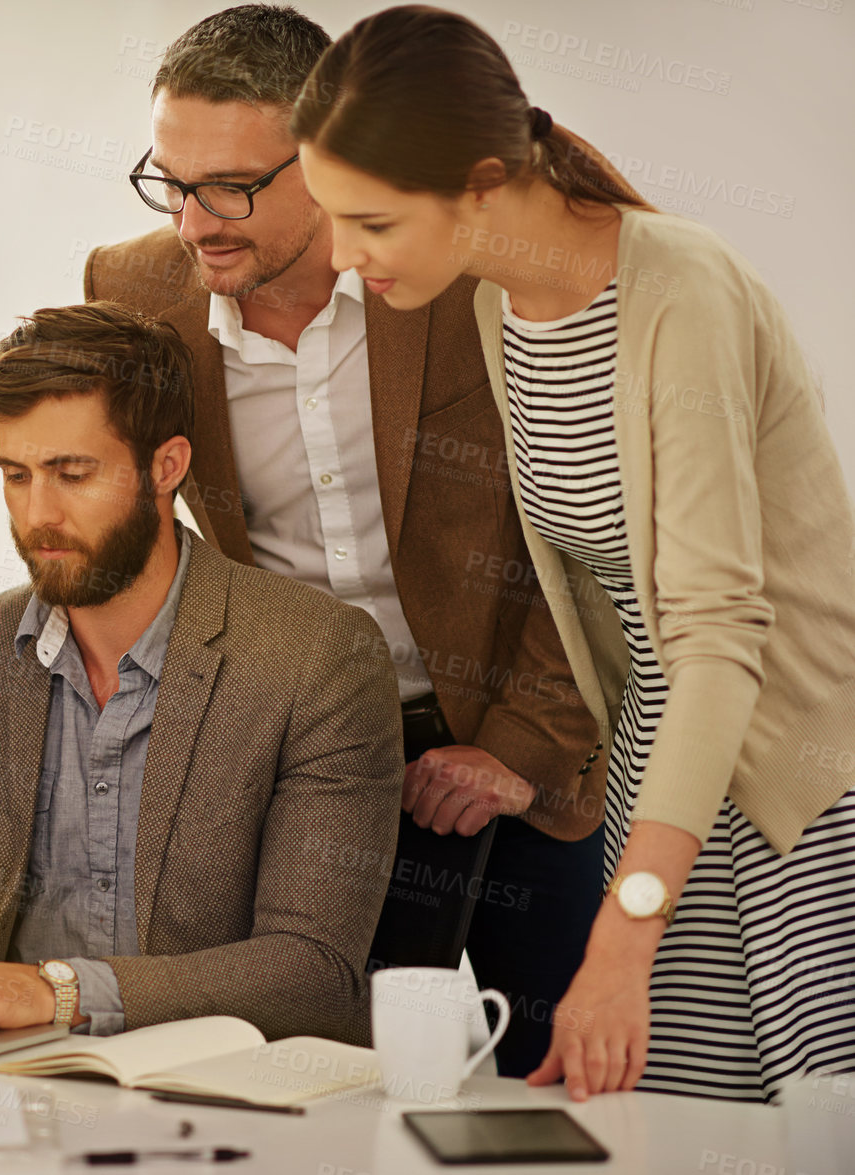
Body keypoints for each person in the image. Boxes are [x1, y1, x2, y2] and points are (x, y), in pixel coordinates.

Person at [289, 4, 855, 1103]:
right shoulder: (503, 308)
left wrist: (623, 939)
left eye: (370, 222)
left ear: (484, 182)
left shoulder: (680, 288)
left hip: (791, 780)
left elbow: (718, 636)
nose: (343, 260)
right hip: (664, 767)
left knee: (802, 1127)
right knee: (671, 1126)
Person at [84, 3, 602, 1076]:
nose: (195, 221)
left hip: (519, 737)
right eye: (172, 181)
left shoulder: (464, 272)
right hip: (308, 754)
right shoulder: (134, 290)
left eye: (232, 185)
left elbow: (584, 533)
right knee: (305, 1074)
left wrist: (519, 744)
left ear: (328, 156)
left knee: (556, 1083)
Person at [0, 302, 402, 1045]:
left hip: (229, 1105)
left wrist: (59, 992)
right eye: (16, 474)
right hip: (15, 1093)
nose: (38, 513)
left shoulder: (319, 657)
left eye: (71, 473)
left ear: (167, 465)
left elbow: (312, 972)